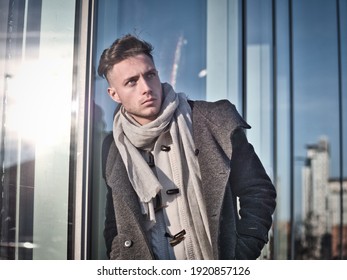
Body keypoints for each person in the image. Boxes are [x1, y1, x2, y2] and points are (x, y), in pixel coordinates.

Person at [98, 34, 276, 260]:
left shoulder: (213, 120)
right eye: (131, 82)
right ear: (114, 94)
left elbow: (258, 191)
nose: (146, 87)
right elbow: (116, 222)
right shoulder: (113, 146)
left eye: (150, 75)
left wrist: (240, 255)